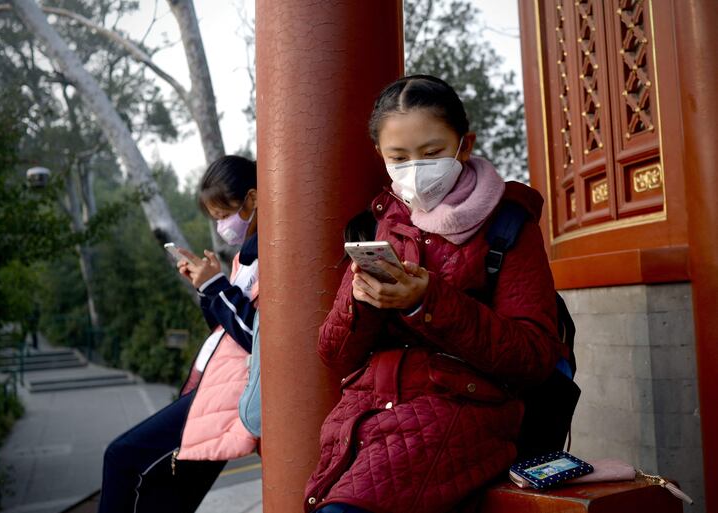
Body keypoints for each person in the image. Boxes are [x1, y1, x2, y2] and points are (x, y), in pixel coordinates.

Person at [304, 75, 567, 513]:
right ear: (380, 157)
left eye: (432, 154)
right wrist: (362, 301)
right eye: (399, 157)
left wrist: (428, 302)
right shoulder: (377, 224)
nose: (415, 170)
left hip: (464, 409)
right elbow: (333, 354)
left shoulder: (508, 226)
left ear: (464, 145)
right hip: (366, 411)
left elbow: (535, 355)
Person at [98, 155, 259, 513]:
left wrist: (217, 287)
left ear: (252, 200)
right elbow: (227, 332)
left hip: (230, 394)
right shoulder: (243, 259)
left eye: (223, 214)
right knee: (165, 497)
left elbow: (256, 336)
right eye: (214, 217)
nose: (221, 225)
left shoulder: (271, 256)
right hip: (212, 385)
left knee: (122, 457)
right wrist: (208, 289)